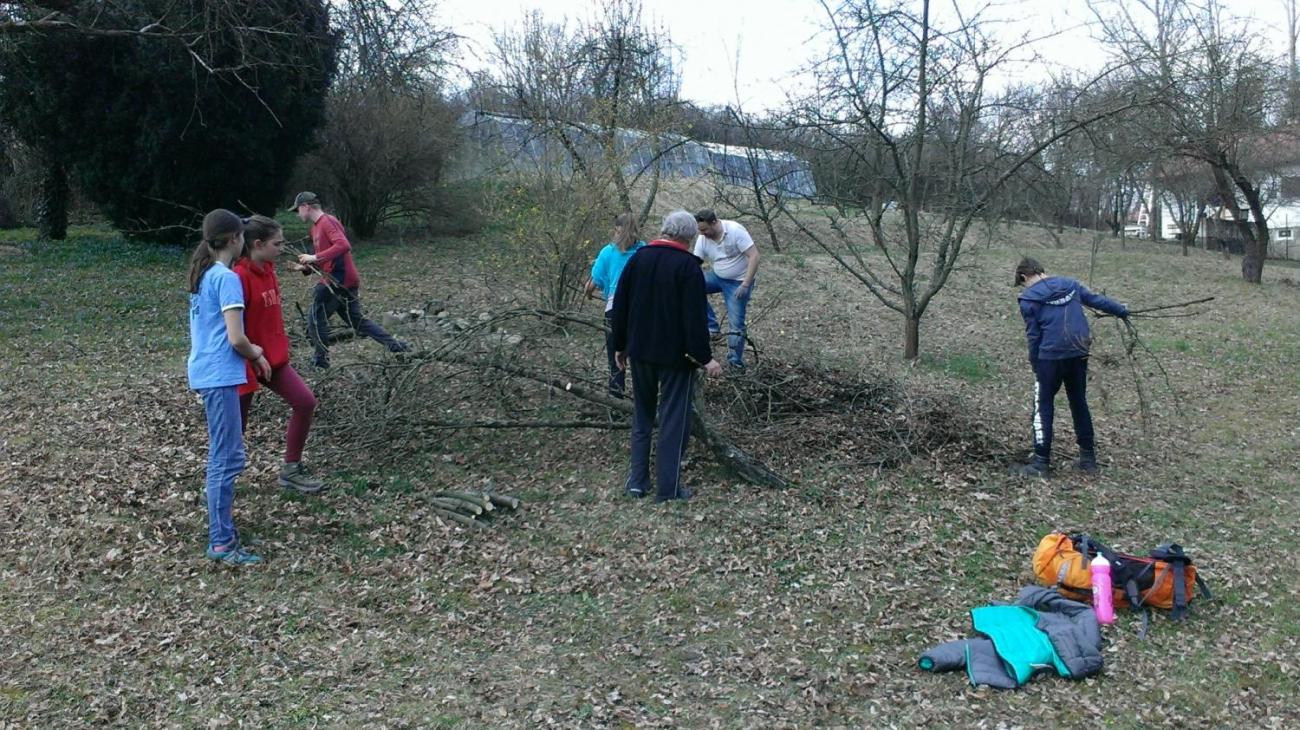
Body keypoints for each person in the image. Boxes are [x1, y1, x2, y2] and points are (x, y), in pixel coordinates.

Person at [611, 210, 724, 503]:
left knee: (643, 416)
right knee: (674, 421)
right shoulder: (688, 268)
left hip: (640, 353)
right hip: (677, 359)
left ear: (665, 231)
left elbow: (620, 305)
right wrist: (705, 358)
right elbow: (694, 319)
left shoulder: (639, 259)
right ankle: (668, 489)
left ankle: (637, 482)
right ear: (688, 237)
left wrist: (620, 345)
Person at [186, 209, 270, 565]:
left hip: (212, 373)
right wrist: (257, 353)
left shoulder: (204, 273)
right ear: (236, 239)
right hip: (219, 375)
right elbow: (236, 337)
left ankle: (224, 530)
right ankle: (221, 541)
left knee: (227, 454)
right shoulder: (226, 277)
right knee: (226, 456)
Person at [1011, 257, 1129, 477]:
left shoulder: (1028, 299)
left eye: (1022, 282)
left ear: (1024, 277)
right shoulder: (1071, 285)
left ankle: (1040, 463)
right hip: (1078, 351)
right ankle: (1088, 459)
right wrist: (1121, 310)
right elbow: (1097, 301)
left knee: (1043, 403)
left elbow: (1033, 335)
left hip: (1050, 355)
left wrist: (1035, 363)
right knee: (1078, 401)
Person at [233, 215, 327, 495]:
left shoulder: (269, 269)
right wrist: (251, 355)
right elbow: (233, 327)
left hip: (274, 361)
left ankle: (291, 469)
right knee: (235, 428)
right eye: (278, 243)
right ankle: (221, 483)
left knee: (305, 402)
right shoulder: (238, 277)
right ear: (258, 244)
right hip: (245, 362)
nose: (282, 247)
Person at [290, 191, 408, 368]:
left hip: (339, 280)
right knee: (357, 321)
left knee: (315, 319)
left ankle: (321, 361)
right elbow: (328, 258)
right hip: (340, 278)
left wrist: (314, 258)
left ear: (306, 206)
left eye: (297, 210)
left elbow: (343, 245)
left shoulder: (327, 221)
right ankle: (397, 346)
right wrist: (306, 268)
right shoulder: (315, 227)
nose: (297, 214)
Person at [585, 212, 646, 398]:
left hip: (615, 311)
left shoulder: (607, 252)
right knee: (639, 360)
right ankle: (642, 404)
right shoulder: (644, 250)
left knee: (615, 361)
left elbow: (592, 284)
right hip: (640, 310)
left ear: (616, 230)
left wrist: (588, 292)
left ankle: (616, 405)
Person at [693, 209, 759, 369]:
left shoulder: (735, 231)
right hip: (717, 277)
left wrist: (745, 284)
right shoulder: (702, 238)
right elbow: (695, 262)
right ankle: (712, 327)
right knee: (692, 287)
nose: (702, 233)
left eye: (705, 229)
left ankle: (735, 364)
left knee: (736, 323)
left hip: (738, 282)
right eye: (700, 230)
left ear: (714, 223)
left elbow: (755, 256)